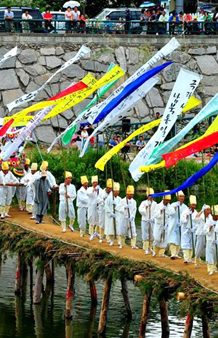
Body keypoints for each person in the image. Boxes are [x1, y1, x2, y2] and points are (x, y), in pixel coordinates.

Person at [153, 191, 175, 257]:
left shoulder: (170, 206)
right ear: (163, 199)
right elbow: (155, 215)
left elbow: (172, 212)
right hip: (159, 224)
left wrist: (168, 211)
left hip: (165, 225)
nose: (167, 202)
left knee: (164, 239)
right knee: (157, 238)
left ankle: (161, 253)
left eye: (168, 201)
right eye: (166, 200)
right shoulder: (158, 206)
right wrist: (161, 211)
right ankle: (155, 251)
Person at [168, 191, 187, 259]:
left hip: (180, 225)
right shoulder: (173, 205)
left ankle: (176, 253)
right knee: (173, 238)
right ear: (177, 197)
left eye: (183, 196)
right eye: (180, 196)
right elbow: (170, 213)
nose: (182, 198)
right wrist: (174, 209)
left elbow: (186, 216)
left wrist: (182, 221)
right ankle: (172, 253)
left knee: (178, 239)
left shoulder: (185, 207)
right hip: (173, 223)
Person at [139, 187, 157, 254]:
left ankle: (150, 247)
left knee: (152, 234)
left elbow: (156, 212)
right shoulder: (144, 203)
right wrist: (146, 207)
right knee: (145, 234)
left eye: (152, 196)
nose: (151, 197)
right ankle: (146, 248)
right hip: (145, 220)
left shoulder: (155, 204)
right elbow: (140, 210)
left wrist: (153, 218)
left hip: (151, 221)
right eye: (150, 196)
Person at [180, 195, 198, 264]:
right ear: (190, 205)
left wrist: (194, 228)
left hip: (192, 231)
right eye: (193, 204)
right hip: (185, 230)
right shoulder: (185, 211)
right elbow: (182, 221)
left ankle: (190, 258)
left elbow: (197, 222)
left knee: (191, 244)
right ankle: (186, 258)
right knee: (185, 243)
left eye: (195, 205)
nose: (194, 206)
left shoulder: (196, 213)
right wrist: (187, 217)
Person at [105, 182, 122, 247]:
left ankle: (119, 241)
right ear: (113, 191)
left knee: (118, 229)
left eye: (118, 191)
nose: (117, 193)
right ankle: (111, 240)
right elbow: (106, 206)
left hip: (117, 216)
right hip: (111, 216)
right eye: (116, 191)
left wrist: (116, 206)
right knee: (111, 229)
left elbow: (121, 207)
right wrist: (111, 213)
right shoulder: (109, 198)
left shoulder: (119, 199)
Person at [97, 178, 113, 243]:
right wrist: (103, 200)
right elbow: (97, 200)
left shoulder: (112, 194)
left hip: (109, 211)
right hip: (102, 210)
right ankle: (101, 236)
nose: (110, 190)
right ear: (106, 187)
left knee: (108, 224)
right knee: (102, 223)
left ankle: (108, 237)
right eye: (109, 188)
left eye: (111, 188)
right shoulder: (101, 192)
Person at [87, 175, 102, 240]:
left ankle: (96, 232)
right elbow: (89, 194)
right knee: (91, 219)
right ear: (92, 183)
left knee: (98, 220)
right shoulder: (89, 189)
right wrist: (94, 190)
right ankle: (91, 233)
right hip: (91, 206)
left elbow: (101, 196)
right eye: (94, 182)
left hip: (98, 206)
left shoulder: (100, 189)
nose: (95, 183)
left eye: (96, 182)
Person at [204, 206, 217, 275]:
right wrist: (209, 228)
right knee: (209, 254)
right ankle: (210, 269)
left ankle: (214, 267)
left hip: (216, 241)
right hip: (210, 240)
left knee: (215, 255)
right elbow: (205, 230)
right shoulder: (209, 221)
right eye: (215, 216)